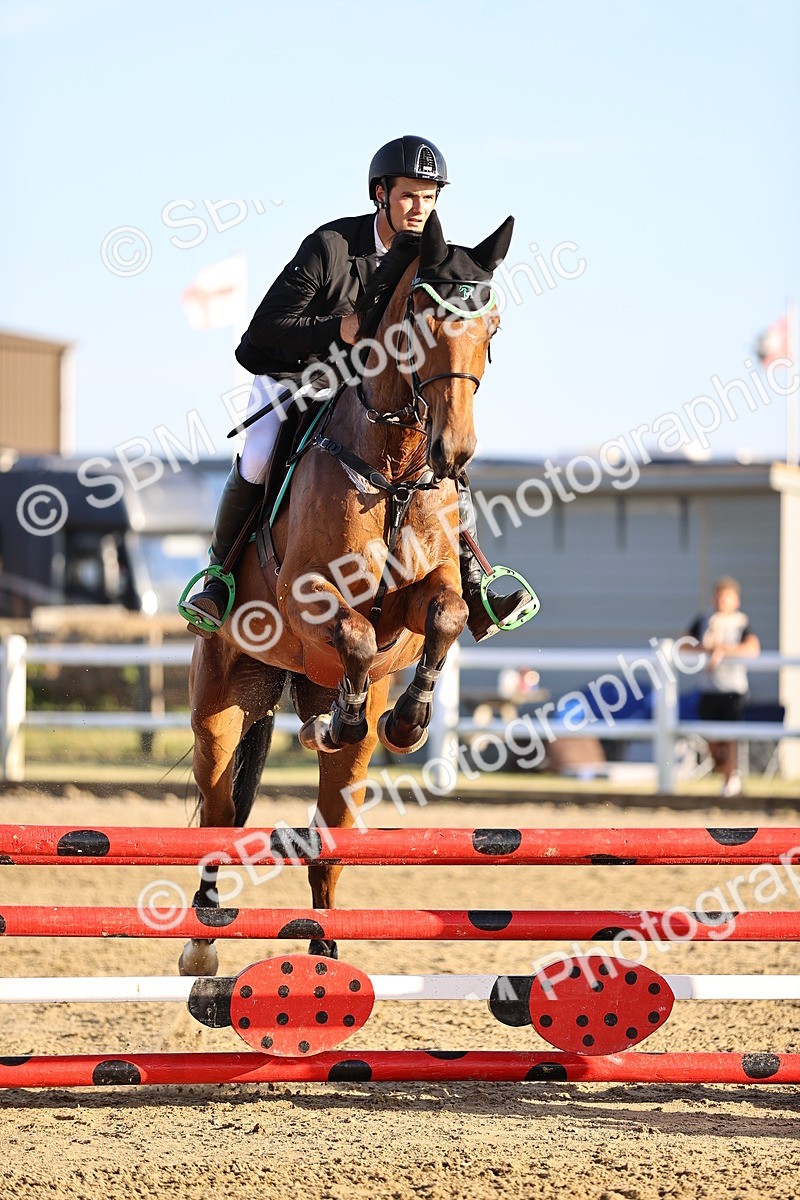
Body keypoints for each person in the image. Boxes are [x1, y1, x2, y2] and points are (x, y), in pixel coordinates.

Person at [182, 134, 532, 642]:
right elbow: (262, 332)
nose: (419, 208)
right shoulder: (332, 247)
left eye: (429, 197)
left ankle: (475, 583)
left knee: (446, 454)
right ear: (380, 194)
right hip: (298, 376)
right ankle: (220, 579)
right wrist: (337, 329)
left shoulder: (434, 261)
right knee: (258, 457)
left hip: (378, 398)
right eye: (409, 195)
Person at [686, 577, 760, 797]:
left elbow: (752, 649)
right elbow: (683, 644)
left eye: (726, 597)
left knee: (730, 738)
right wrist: (707, 649)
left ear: (735, 600)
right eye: (718, 597)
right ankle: (728, 775)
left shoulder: (741, 622)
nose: (721, 602)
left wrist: (723, 650)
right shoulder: (704, 620)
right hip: (709, 689)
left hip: (732, 690)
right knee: (711, 741)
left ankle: (730, 781)